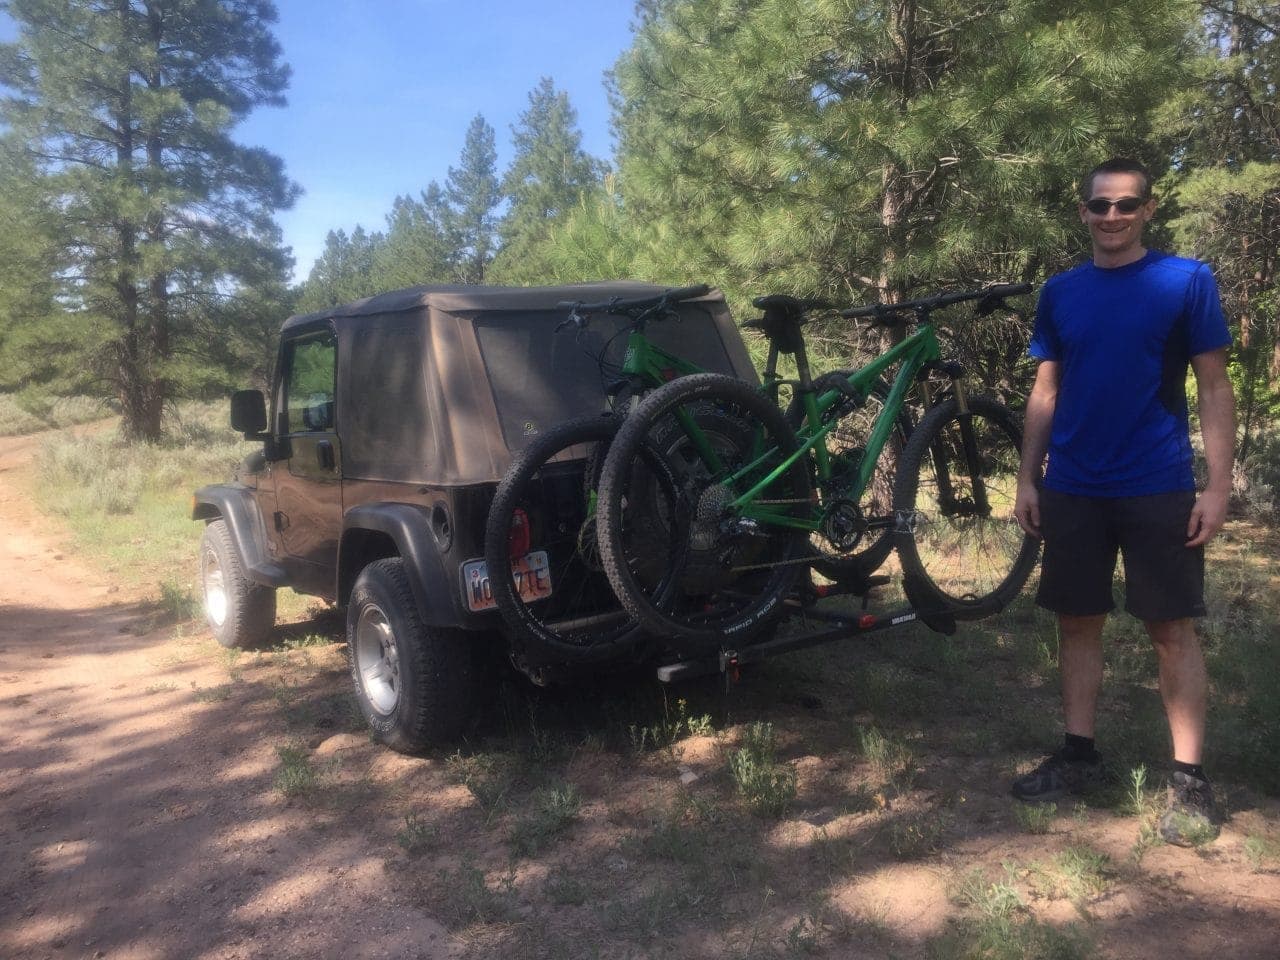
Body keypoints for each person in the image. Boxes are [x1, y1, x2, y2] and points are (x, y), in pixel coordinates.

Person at [1012, 157, 1236, 845]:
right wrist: (1027, 477)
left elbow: (1216, 387)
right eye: (1100, 205)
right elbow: (1046, 390)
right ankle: (1080, 756)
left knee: (1170, 630)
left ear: (1148, 209)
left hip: (1156, 483)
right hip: (1074, 485)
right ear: (1083, 212)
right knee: (1077, 622)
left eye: (1126, 204)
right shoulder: (1061, 292)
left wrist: (1218, 486)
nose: (1113, 216)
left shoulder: (1185, 281)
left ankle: (1189, 780)